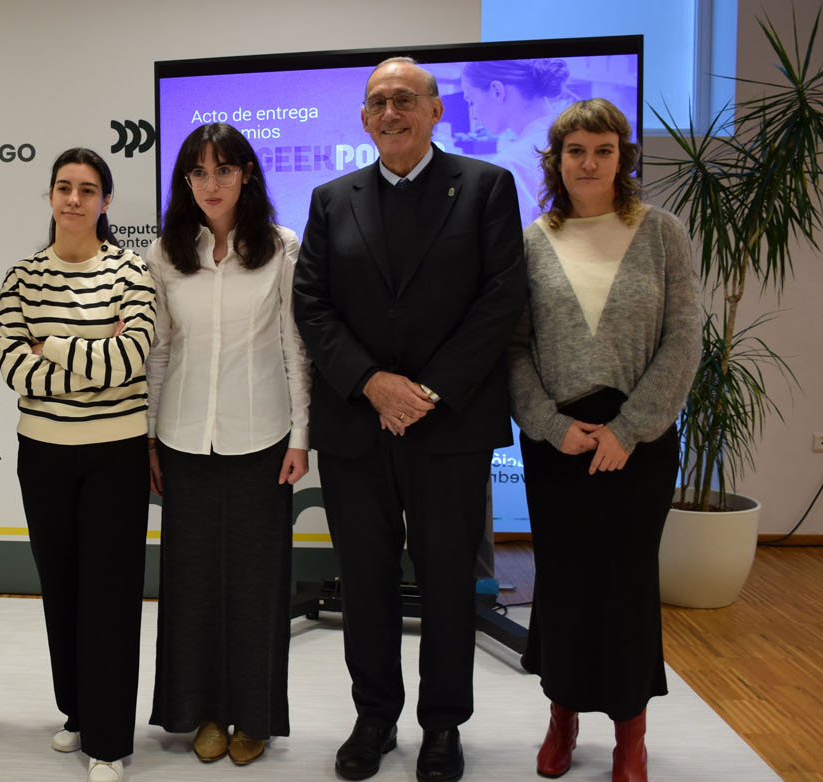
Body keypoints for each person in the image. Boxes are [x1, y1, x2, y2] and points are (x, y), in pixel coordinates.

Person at [292, 57, 526, 782]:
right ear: (364, 120)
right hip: (357, 427)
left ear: (434, 111)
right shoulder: (332, 199)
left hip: (447, 426)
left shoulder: (486, 187)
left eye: (404, 99)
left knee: (451, 583)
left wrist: (423, 391)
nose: (390, 112)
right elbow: (312, 303)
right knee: (364, 583)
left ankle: (443, 725)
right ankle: (375, 717)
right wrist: (371, 383)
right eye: (377, 102)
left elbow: (501, 298)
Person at [508, 98, 699, 782]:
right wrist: (553, 427)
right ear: (556, 161)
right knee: (560, 583)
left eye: (603, 150)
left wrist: (630, 430)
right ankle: (562, 718)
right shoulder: (530, 242)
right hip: (558, 444)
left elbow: (684, 340)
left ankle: (630, 735)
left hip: (638, 444)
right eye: (575, 151)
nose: (588, 162)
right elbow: (514, 349)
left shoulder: (662, 234)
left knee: (625, 586)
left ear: (624, 158)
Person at [144, 123, 309, 766]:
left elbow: (296, 350)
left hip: (261, 439)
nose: (211, 184)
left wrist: (301, 438)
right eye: (198, 173)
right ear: (187, 182)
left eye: (223, 170)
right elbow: (159, 352)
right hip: (183, 440)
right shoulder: (166, 255)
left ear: (246, 174)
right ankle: (203, 713)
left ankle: (255, 717)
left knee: (256, 586)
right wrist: (151, 439)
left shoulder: (281, 248)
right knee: (191, 585)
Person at [0, 147, 156, 782]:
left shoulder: (130, 272)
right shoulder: (21, 277)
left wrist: (53, 345)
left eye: (88, 190)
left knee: (111, 596)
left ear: (106, 202)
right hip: (44, 456)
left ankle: (110, 742)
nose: (73, 199)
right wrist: (92, 350)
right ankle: (79, 714)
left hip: (114, 455)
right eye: (63, 187)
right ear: (51, 196)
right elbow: (13, 368)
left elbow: (131, 360)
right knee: (61, 590)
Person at [461, 59, 574, 228]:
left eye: (472, 101)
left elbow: (515, 247)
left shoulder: (511, 164)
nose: (473, 115)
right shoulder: (574, 138)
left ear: (497, 91)